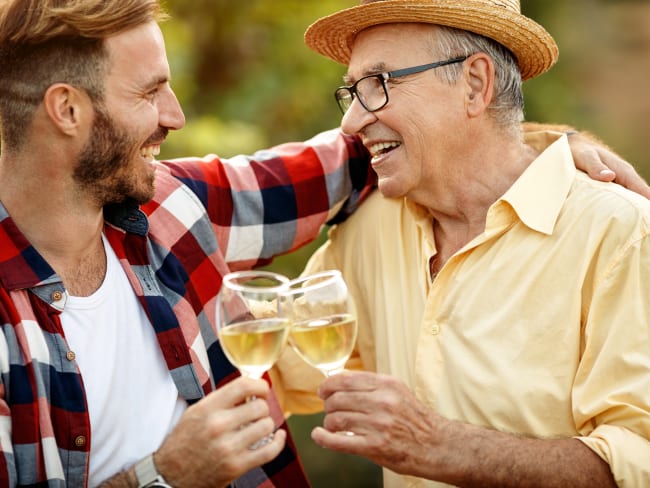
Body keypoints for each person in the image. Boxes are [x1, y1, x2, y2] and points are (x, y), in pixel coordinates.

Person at [0, 0, 644, 487]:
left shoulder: (172, 206)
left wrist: (548, 149)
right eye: (149, 91)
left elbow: (397, 152)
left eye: (379, 83)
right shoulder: (174, 210)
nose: (176, 115)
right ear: (67, 110)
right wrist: (166, 474)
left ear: (476, 85)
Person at [277, 0, 650, 487]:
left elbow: (637, 460)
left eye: (380, 84)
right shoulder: (369, 231)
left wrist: (436, 445)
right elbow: (273, 368)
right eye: (352, 92)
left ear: (475, 84)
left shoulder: (620, 232)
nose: (350, 123)